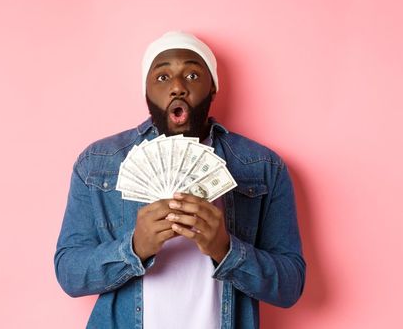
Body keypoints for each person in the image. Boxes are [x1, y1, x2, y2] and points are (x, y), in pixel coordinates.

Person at [53, 31, 305, 329]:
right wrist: (134, 248)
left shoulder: (263, 166)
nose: (177, 87)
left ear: (212, 88)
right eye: (162, 77)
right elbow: (69, 274)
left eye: (193, 75)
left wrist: (225, 249)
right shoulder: (97, 162)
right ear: (146, 92)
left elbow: (290, 286)